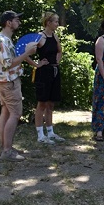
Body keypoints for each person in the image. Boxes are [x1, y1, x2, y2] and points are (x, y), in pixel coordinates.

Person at [0, 10, 38, 160]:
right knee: (15, 114)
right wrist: (27, 53)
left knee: (5, 112)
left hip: (3, 82)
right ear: (8, 23)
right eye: (16, 20)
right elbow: (9, 64)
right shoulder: (2, 41)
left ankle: (5, 147)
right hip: (8, 82)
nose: (19, 22)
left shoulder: (4, 39)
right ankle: (7, 151)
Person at [28, 12, 64, 144]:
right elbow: (25, 53)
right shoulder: (39, 37)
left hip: (54, 71)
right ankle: (40, 135)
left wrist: (57, 62)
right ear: (48, 23)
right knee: (42, 103)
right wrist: (36, 64)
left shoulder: (55, 36)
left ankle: (50, 132)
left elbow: (59, 51)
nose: (57, 24)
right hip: (43, 73)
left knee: (51, 103)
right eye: (55, 22)